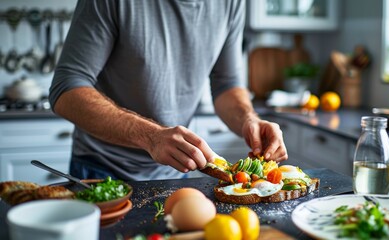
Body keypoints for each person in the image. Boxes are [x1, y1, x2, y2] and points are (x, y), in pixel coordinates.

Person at [49, 0, 288, 181]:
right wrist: (151, 137)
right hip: (102, 169)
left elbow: (227, 84)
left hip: (175, 173)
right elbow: (66, 88)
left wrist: (248, 119)